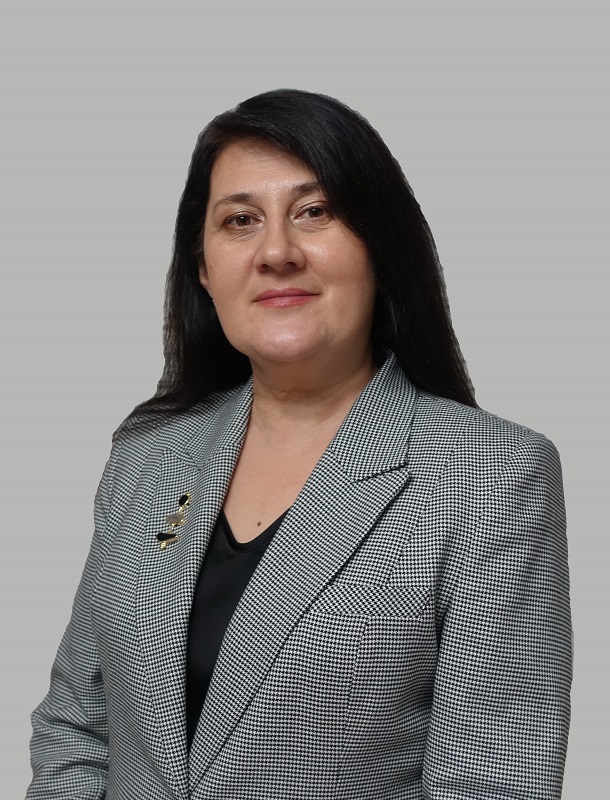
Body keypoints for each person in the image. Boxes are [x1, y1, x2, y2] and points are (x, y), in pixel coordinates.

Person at [27, 89, 572, 800]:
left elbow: (493, 782)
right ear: (204, 267)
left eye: (315, 212)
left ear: (378, 247)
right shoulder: (147, 456)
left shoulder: (492, 474)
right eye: (240, 220)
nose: (277, 252)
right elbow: (77, 726)